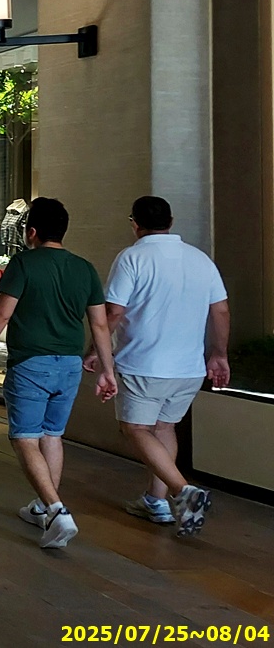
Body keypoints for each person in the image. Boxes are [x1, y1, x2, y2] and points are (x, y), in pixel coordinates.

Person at [0, 197, 117, 550]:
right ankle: (42, 506)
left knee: (25, 437)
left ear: (31, 232)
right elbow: (100, 324)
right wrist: (107, 370)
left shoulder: (24, 262)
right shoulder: (84, 268)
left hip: (30, 363)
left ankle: (55, 510)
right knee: (52, 435)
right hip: (69, 365)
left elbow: (2, 314)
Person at [97, 196, 228, 536]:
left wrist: (97, 348)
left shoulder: (132, 257)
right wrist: (219, 354)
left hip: (144, 363)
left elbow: (114, 311)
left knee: (136, 428)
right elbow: (221, 310)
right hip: (189, 367)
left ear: (134, 224)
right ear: (171, 222)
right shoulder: (200, 259)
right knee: (164, 428)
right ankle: (155, 502)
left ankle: (183, 491)